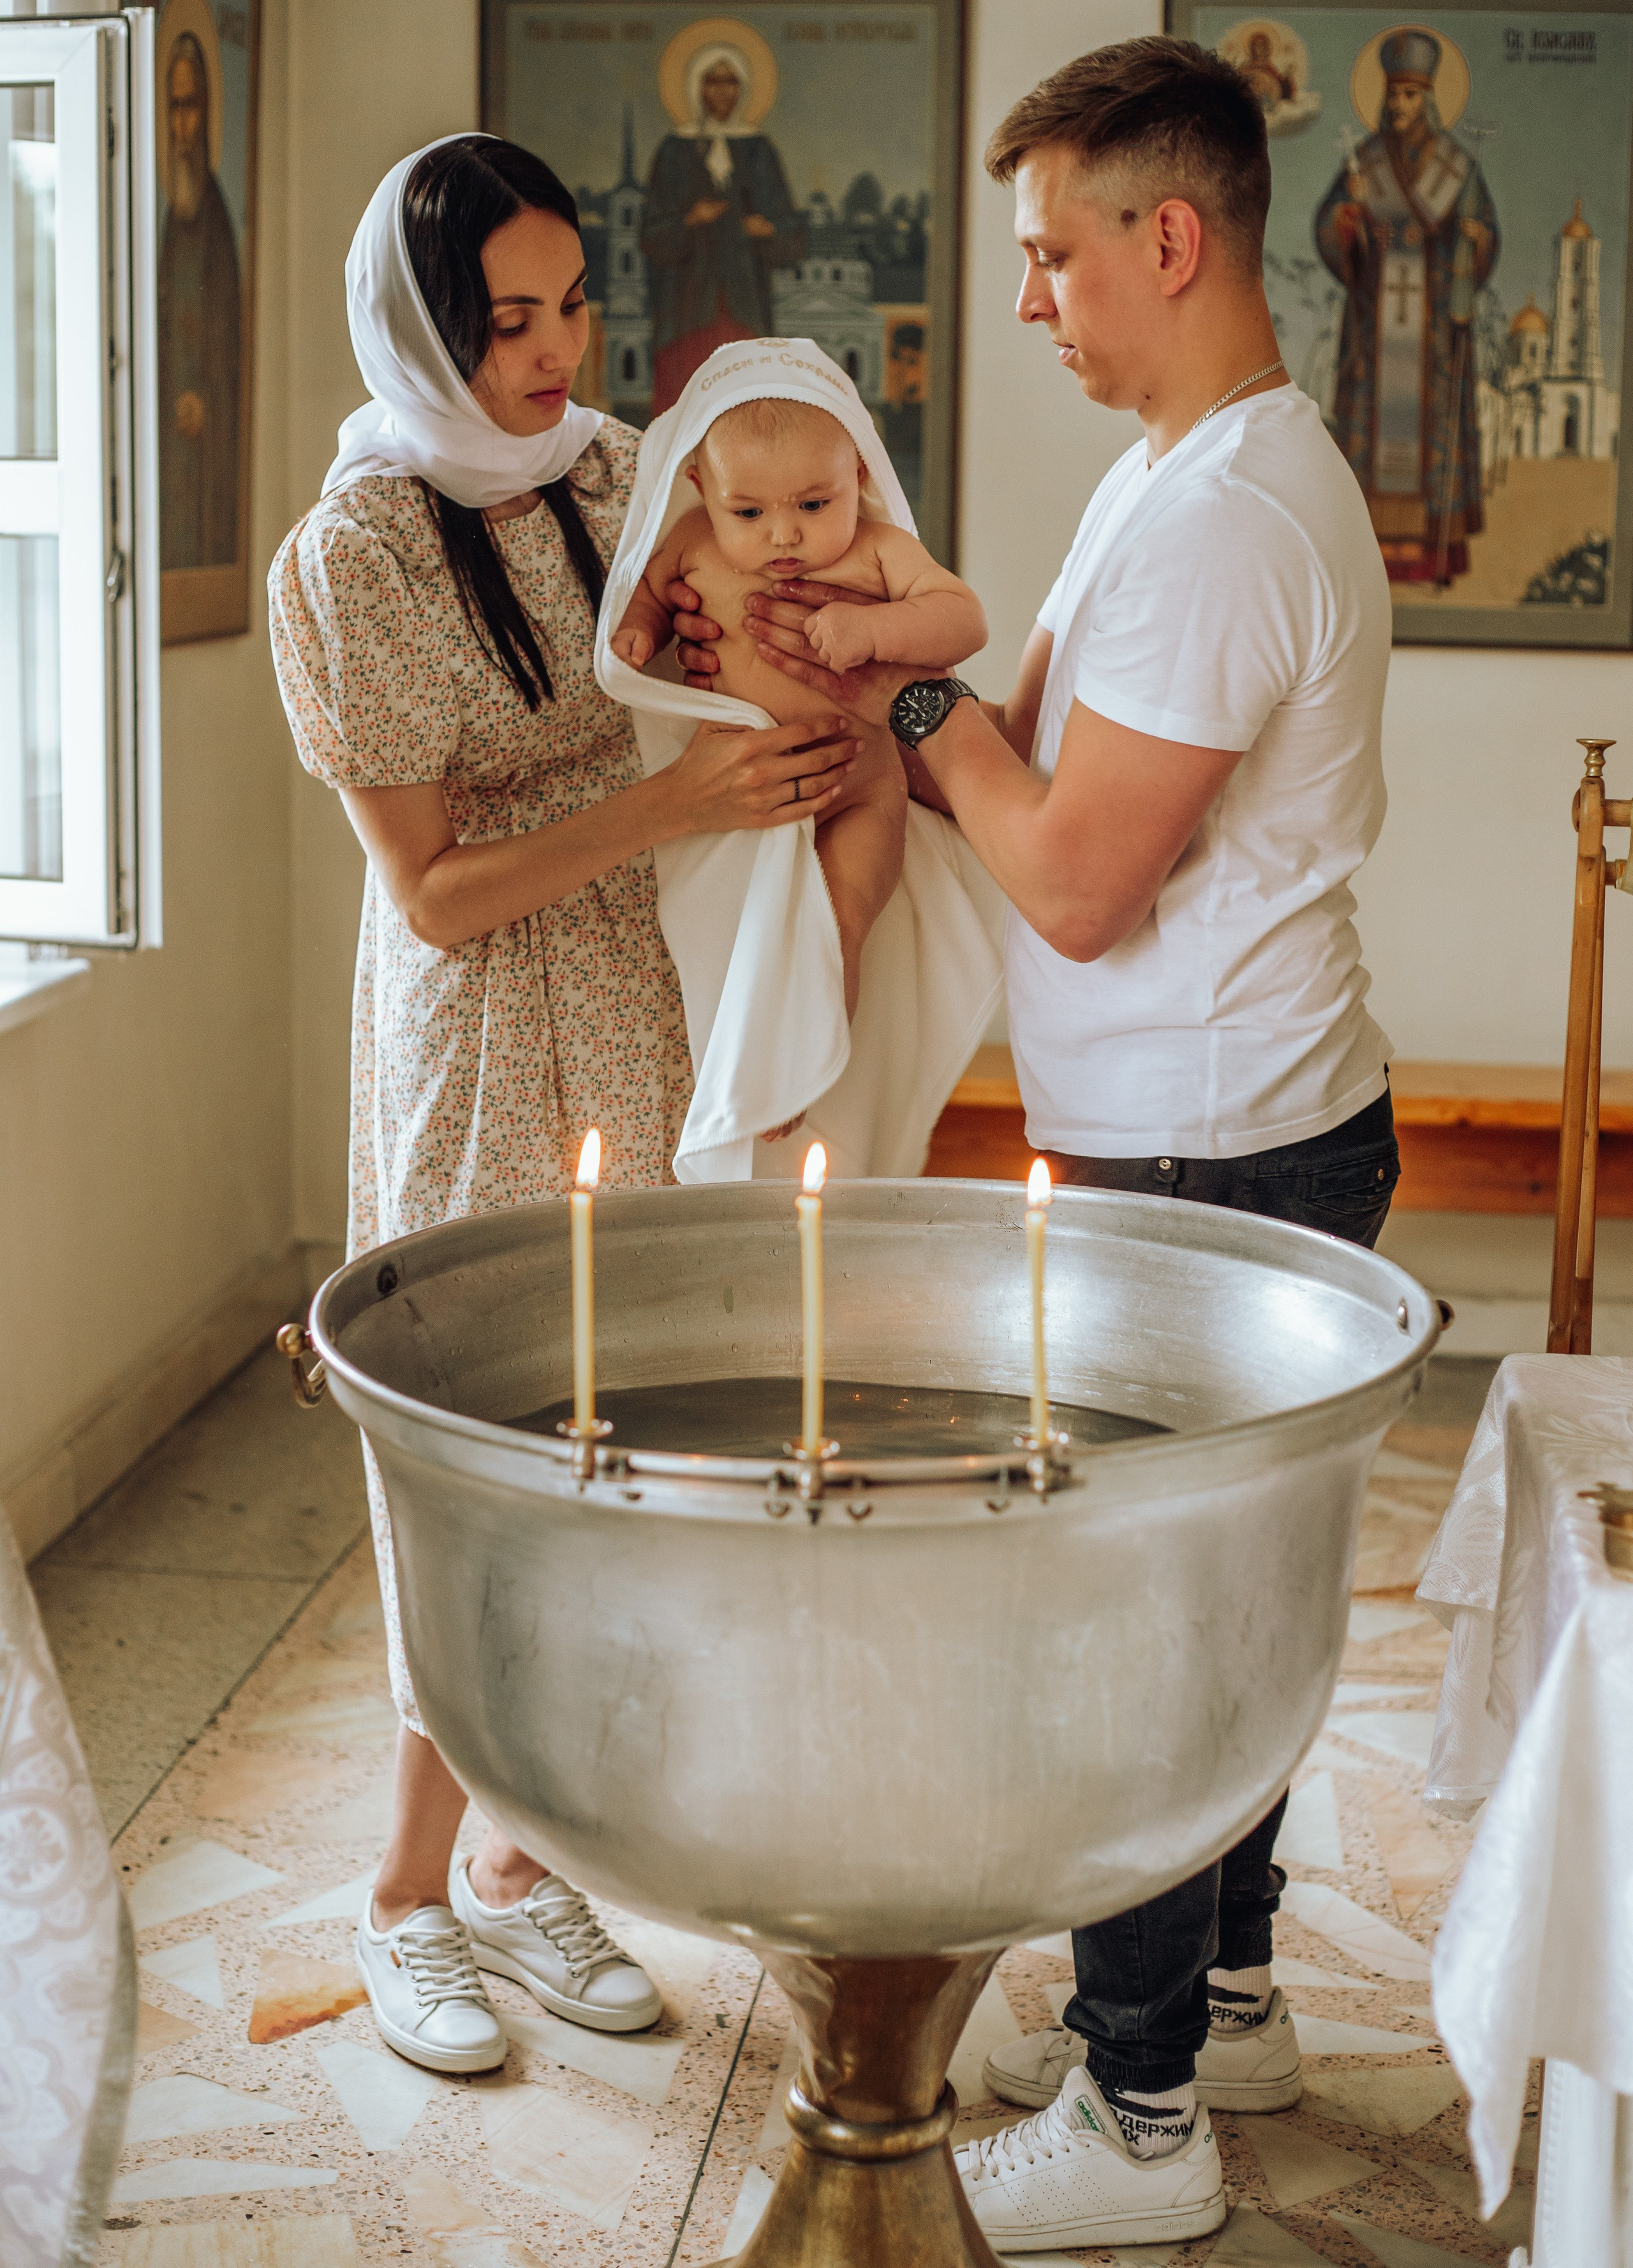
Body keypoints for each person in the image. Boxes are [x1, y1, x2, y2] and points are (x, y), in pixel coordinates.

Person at [707, 36, 1399, 2250]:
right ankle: (1236, 1987)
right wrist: (913, 692)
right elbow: (1037, 761)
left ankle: (1139, 2107)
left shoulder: (1219, 518)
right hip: (1238, 1114)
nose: (1028, 301)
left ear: (1164, 239)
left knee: (1144, 1636)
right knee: (1238, 1589)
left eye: (1047, 255)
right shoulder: (1206, 465)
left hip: (1209, 1155)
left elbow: (1080, 874)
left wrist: (912, 708)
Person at [269, 133, 859, 2077]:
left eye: (570, 305)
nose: (549, 352)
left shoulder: (613, 479)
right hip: (477, 1023)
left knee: (610, 1434)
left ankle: (527, 1870)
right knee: (465, 1455)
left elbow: (725, 641)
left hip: (640, 987)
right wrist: (668, 802)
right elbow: (430, 893)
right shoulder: (346, 558)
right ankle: (402, 1897)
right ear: (419, 330)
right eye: (503, 322)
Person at [612, 390, 986, 1024]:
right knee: (734, 938)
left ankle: (822, 1030)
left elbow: (964, 619)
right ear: (701, 487)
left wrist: (877, 632)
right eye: (748, 510)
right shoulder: (692, 539)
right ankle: (756, 1057)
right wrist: (641, 631)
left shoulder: (877, 549)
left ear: (858, 475)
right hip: (737, 794)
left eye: (814, 504)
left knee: (841, 916)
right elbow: (648, 590)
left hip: (859, 788)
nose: (783, 532)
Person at [1315, 28, 1498, 587]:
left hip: (1434, 331)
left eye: (1411, 95)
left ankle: (1431, 558)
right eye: (1393, 94)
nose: (1399, 105)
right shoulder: (1363, 162)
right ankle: (1368, 561)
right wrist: (1348, 225)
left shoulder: (1456, 167)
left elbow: (1483, 234)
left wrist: (1475, 239)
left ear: (1430, 99)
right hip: (1375, 325)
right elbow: (1331, 227)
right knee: (1370, 433)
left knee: (1430, 437)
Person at [642, 44, 804, 414]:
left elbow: (790, 228)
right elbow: (651, 234)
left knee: (744, 402)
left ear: (742, 88)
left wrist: (768, 230)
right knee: (685, 401)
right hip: (685, 308)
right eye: (713, 82)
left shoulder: (760, 149)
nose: (722, 92)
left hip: (745, 302)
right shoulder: (673, 150)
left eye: (730, 83)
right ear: (697, 88)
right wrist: (689, 222)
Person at [158, 29, 242, 570]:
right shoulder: (168, 219)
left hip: (206, 416)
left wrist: (203, 393)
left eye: (190, 107)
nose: (180, 124)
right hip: (169, 413)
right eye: (173, 107)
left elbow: (226, 328)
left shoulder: (216, 217)